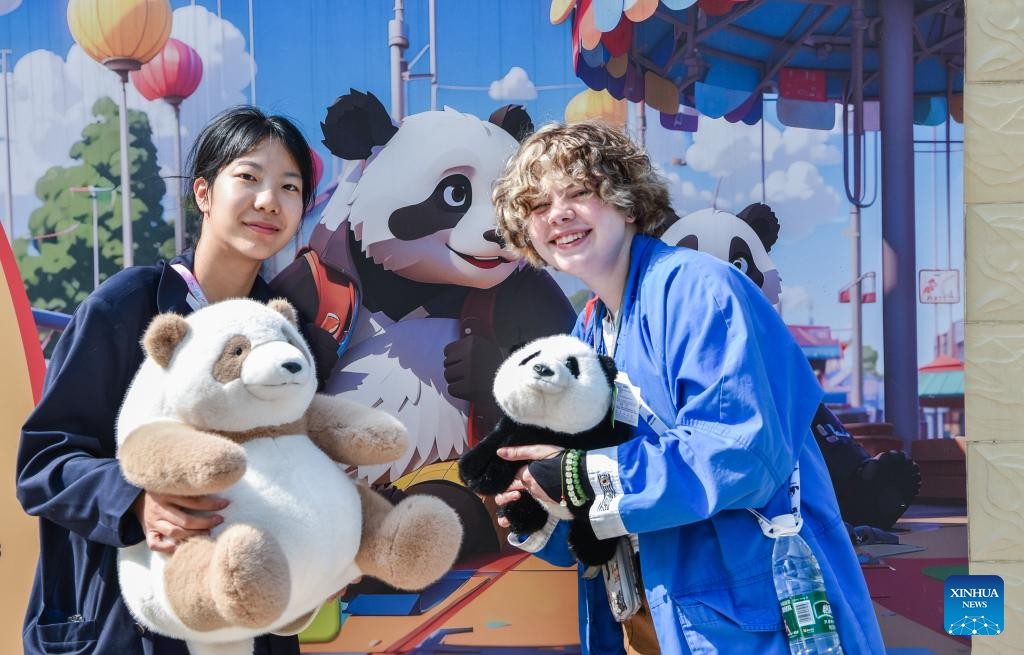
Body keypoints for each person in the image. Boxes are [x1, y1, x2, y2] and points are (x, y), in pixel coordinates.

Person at [490, 121, 885, 654]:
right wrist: (543, 508)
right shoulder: (589, 332)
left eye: (579, 192)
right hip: (648, 610)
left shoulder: (702, 289)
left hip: (753, 608)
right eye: (537, 205)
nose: (557, 214)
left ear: (627, 202)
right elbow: (599, 504)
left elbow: (740, 453)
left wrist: (582, 476)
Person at [16, 106, 318, 655]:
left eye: (289, 187)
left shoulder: (286, 332)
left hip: (246, 625)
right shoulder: (127, 306)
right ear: (203, 193)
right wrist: (135, 501)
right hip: (127, 624)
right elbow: (44, 463)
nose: (269, 200)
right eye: (248, 177)